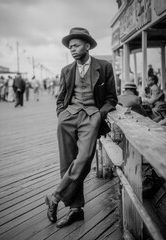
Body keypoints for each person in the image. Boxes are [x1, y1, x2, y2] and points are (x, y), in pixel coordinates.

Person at [45, 27, 117, 228]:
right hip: (69, 117)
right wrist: (61, 114)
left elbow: (112, 98)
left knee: (84, 158)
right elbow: (61, 97)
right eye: (70, 47)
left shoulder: (104, 66)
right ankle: (76, 209)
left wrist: (98, 115)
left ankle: (55, 196)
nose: (73, 49)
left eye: (76, 45)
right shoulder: (66, 70)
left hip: (92, 116)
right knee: (67, 162)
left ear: (87, 45)